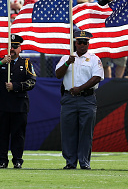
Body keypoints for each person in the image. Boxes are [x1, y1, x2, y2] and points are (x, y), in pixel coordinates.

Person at [0, 34, 36, 169]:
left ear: (20, 49)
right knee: (1, 134)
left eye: (15, 46)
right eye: (10, 46)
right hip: (1, 104)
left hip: (19, 104)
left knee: (18, 134)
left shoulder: (26, 63)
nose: (12, 49)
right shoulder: (0, 61)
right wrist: (1, 62)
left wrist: (16, 86)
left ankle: (17, 160)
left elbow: (32, 82)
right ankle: (2, 160)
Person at [55, 30, 103, 170]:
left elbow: (97, 77)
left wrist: (80, 88)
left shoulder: (94, 58)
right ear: (75, 43)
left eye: (85, 42)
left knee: (85, 132)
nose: (82, 45)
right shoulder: (66, 58)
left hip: (87, 98)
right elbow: (58, 74)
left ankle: (84, 162)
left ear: (88, 43)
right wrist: (67, 63)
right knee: (68, 131)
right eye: (80, 42)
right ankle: (70, 162)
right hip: (69, 98)